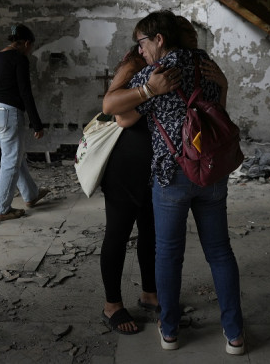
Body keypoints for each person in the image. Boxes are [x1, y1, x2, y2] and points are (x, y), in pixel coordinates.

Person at [105, 10, 245, 355]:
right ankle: (235, 335)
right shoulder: (208, 66)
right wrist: (223, 86)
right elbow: (218, 114)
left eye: (143, 43)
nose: (142, 51)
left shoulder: (159, 73)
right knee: (221, 253)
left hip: (172, 176)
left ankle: (169, 332)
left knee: (168, 255)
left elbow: (114, 110)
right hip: (212, 173)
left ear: (159, 40)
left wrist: (147, 89)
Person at [98, 46, 180, 335]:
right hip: (124, 167)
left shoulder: (170, 66)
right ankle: (112, 304)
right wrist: (150, 91)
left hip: (154, 168)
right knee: (117, 235)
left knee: (151, 233)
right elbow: (117, 112)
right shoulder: (135, 63)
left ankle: (149, 293)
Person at [0, 23, 49, 222]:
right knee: (11, 160)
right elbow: (25, 92)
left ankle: (31, 194)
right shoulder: (19, 59)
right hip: (8, 112)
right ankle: (1, 209)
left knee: (14, 156)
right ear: (26, 43)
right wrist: (37, 123)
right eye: (30, 47)